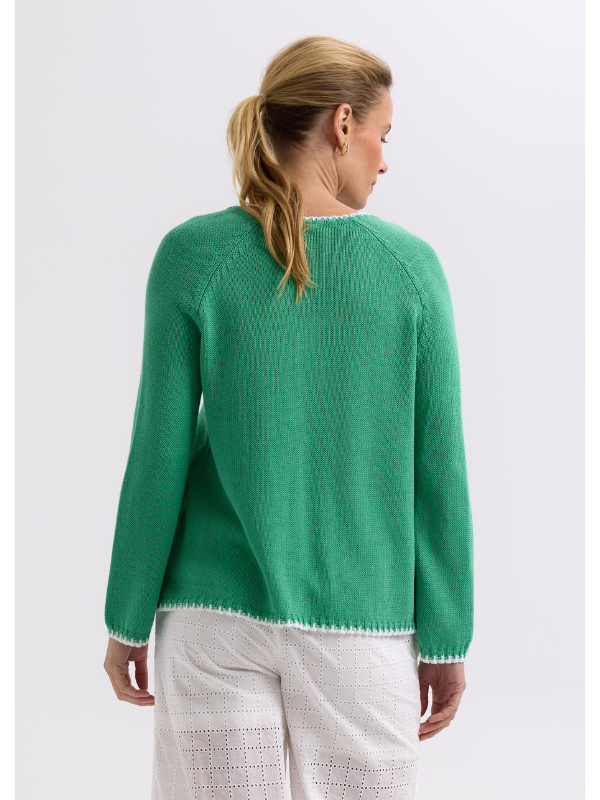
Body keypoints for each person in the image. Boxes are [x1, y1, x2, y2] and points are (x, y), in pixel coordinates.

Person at [103, 34, 474, 800]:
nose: (383, 160)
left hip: (209, 620)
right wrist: (446, 636)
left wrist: (126, 616)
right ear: (343, 123)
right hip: (360, 626)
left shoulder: (193, 255)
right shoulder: (411, 270)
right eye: (383, 135)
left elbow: (157, 452)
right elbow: (438, 468)